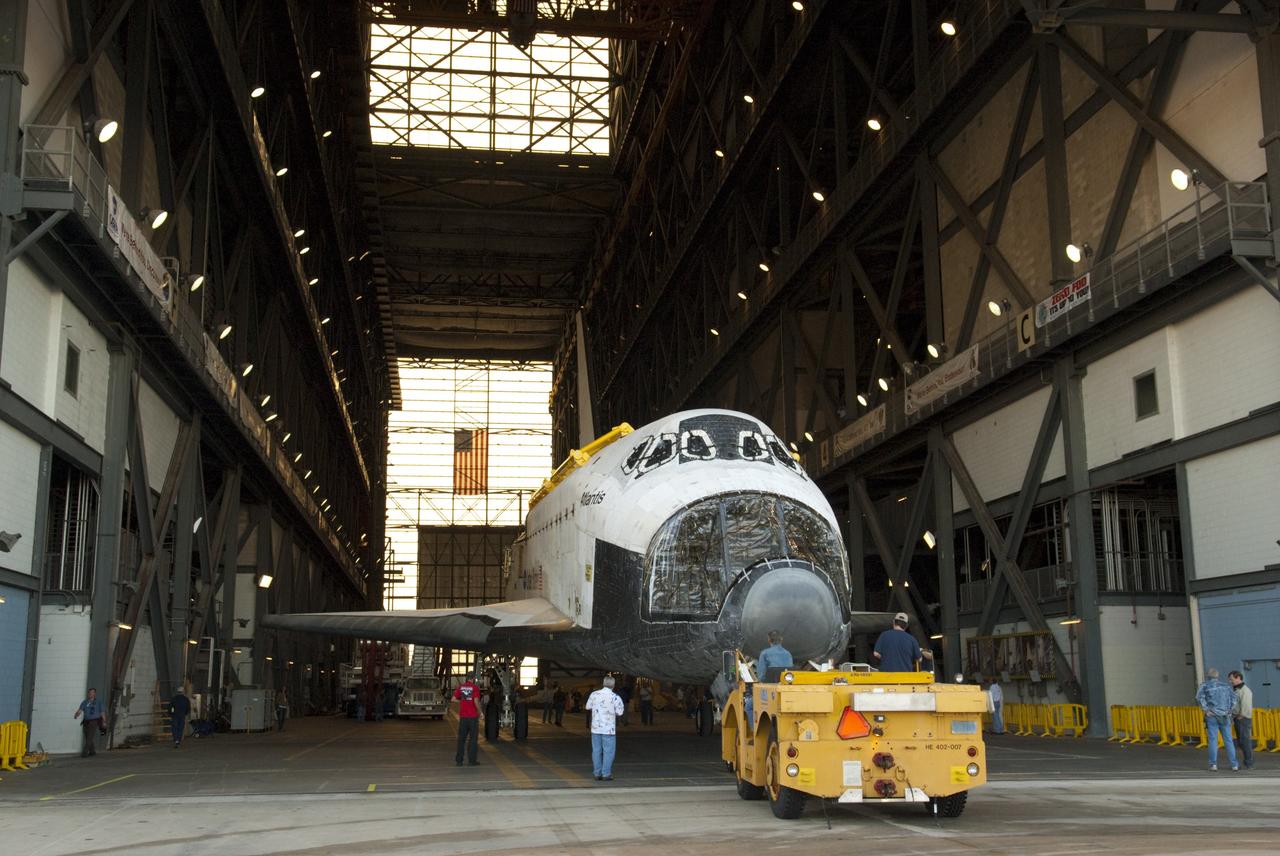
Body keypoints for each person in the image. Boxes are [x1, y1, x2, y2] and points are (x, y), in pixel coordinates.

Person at [1195, 668, 1238, 771]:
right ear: (1217, 676)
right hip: (1225, 716)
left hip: (1212, 716)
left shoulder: (1205, 685)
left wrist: (1206, 710)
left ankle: (1213, 764)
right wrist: (1229, 710)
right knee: (1228, 741)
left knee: (1213, 741)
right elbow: (1234, 698)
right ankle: (1234, 765)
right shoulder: (1226, 686)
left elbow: (1198, 697)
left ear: (1208, 676)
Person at [585, 675, 626, 781]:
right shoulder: (615, 697)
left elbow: (587, 707)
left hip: (595, 728)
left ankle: (596, 773)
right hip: (609, 730)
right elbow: (620, 712)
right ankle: (606, 773)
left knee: (596, 751)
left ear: (603, 683)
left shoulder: (594, 694)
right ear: (613, 685)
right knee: (609, 752)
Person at [453, 673, 482, 766]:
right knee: (473, 739)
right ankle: (472, 760)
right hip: (472, 717)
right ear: (473, 679)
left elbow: (453, 699)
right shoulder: (475, 688)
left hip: (463, 718)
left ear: (466, 678)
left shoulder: (461, 687)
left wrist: (462, 701)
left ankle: (459, 761)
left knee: (461, 739)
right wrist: (480, 712)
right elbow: (476, 701)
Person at [1229, 670, 1254, 770]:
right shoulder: (1237, 689)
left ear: (1238, 678)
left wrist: (1241, 715)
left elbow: (1246, 705)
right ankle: (1247, 762)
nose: (1230, 681)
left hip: (1243, 719)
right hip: (1238, 718)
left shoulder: (1245, 690)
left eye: (1232, 679)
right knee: (1242, 741)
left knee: (1245, 741)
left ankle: (1249, 763)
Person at [73, 687, 106, 757]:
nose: (91, 694)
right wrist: (76, 715)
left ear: (95, 694)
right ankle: (92, 751)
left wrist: (104, 721)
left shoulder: (99, 702)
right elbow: (80, 710)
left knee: (89, 737)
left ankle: (84, 752)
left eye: (92, 692)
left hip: (94, 721)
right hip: (86, 721)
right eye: (90, 693)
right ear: (88, 694)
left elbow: (102, 712)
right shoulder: (85, 702)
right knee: (88, 736)